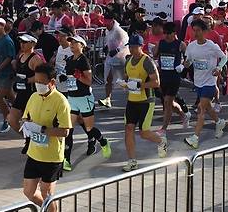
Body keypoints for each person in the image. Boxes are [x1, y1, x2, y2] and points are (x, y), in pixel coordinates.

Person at [20, 63, 72, 212]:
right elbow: (25, 116)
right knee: (28, 192)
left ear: (52, 82)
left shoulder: (61, 101)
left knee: (47, 192)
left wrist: (41, 129)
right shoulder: (34, 96)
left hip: (52, 156)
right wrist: (26, 125)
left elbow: (65, 130)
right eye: (36, 81)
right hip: (34, 153)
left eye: (42, 82)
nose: (38, 85)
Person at [119, 34, 167, 171]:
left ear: (141, 46)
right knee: (128, 129)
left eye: (135, 47)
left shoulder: (147, 61)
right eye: (130, 47)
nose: (132, 50)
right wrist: (124, 84)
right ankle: (132, 161)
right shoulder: (128, 61)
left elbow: (156, 82)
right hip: (132, 101)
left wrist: (139, 86)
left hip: (146, 101)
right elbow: (126, 77)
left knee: (144, 133)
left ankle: (161, 141)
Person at [62, 35, 111, 170]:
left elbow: (89, 81)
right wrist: (65, 77)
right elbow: (70, 77)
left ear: (82, 45)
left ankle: (103, 141)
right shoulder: (69, 60)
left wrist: (79, 76)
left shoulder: (84, 60)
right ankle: (66, 159)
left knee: (89, 128)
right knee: (69, 130)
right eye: (70, 42)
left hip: (84, 98)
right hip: (72, 98)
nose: (71, 44)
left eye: (75, 42)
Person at [183, 19, 228, 150]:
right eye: (194, 30)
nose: (195, 33)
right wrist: (185, 64)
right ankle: (219, 122)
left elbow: (224, 57)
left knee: (201, 109)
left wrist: (219, 67)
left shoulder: (212, 46)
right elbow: (189, 60)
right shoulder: (191, 46)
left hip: (209, 82)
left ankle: (195, 138)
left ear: (205, 31)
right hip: (198, 82)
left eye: (198, 30)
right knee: (207, 107)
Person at [154, 22, 190, 132]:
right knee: (169, 102)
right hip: (163, 76)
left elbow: (189, 58)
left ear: (174, 33)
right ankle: (183, 115)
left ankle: (164, 128)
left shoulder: (180, 44)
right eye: (164, 33)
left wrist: (182, 66)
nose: (166, 36)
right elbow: (155, 55)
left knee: (167, 102)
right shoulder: (160, 43)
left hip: (174, 77)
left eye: (168, 33)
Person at [8, 34, 43, 133]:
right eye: (21, 42)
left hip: (31, 94)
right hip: (21, 93)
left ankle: (30, 140)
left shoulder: (36, 59)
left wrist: (27, 80)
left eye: (24, 42)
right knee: (11, 119)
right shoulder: (21, 56)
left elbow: (41, 77)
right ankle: (27, 137)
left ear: (32, 43)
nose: (22, 44)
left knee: (30, 121)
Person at [0, 17, 16, 133]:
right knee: (11, 97)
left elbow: (10, 57)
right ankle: (25, 113)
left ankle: (8, 119)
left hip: (7, 74)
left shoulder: (7, 40)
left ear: (3, 26)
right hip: (1, 74)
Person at [98, 15, 129, 108]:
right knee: (108, 79)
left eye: (107, 24)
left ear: (112, 22)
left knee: (125, 80)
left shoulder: (119, 31)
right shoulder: (108, 31)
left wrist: (117, 50)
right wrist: (106, 47)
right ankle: (107, 99)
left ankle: (132, 99)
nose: (106, 26)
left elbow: (126, 42)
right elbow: (109, 41)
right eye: (105, 24)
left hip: (121, 59)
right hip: (111, 58)